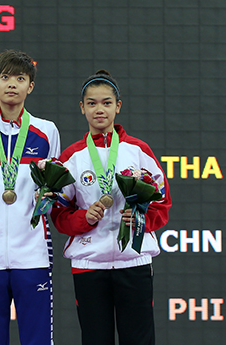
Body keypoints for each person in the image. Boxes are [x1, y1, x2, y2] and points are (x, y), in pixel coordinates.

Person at [51, 70, 171, 345]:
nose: (99, 109)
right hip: (89, 264)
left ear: (118, 106)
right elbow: (59, 214)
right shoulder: (72, 157)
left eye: (106, 102)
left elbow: (162, 203)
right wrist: (84, 218)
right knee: (95, 340)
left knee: (139, 340)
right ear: (82, 108)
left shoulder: (139, 151)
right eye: (91, 103)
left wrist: (141, 219)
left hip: (134, 261)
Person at [0, 49, 60, 345]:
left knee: (38, 341)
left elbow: (56, 190)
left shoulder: (46, 132)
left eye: (20, 78)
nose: (12, 84)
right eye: (5, 77)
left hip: (32, 255)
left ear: (30, 86)